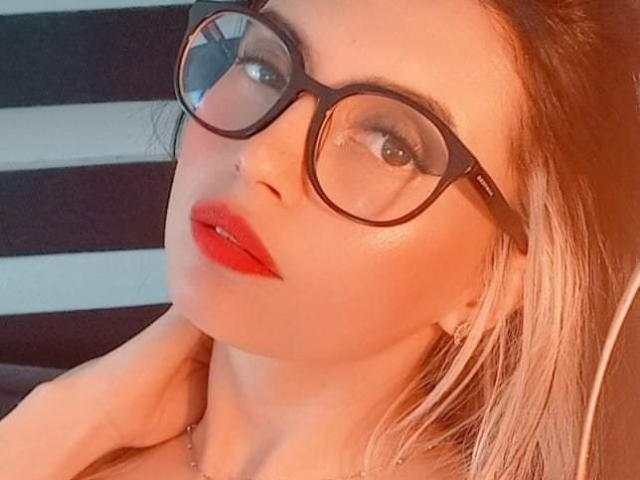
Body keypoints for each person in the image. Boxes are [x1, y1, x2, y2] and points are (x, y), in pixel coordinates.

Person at [1, 0, 639, 479]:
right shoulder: (59, 436)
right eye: (263, 66)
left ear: (492, 283)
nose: (260, 157)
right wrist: (68, 420)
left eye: (391, 144)